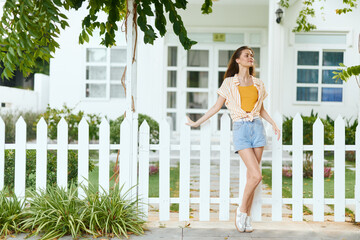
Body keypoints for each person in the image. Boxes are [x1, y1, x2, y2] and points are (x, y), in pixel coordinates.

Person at [186, 46, 281, 233]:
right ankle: (241, 211)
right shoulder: (229, 83)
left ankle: (246, 218)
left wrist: (274, 124)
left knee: (251, 178)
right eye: (247, 55)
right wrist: (197, 122)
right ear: (237, 60)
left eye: (252, 55)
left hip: (258, 128)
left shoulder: (259, 84)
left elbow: (261, 110)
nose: (250, 57)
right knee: (257, 175)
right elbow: (216, 107)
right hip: (240, 129)